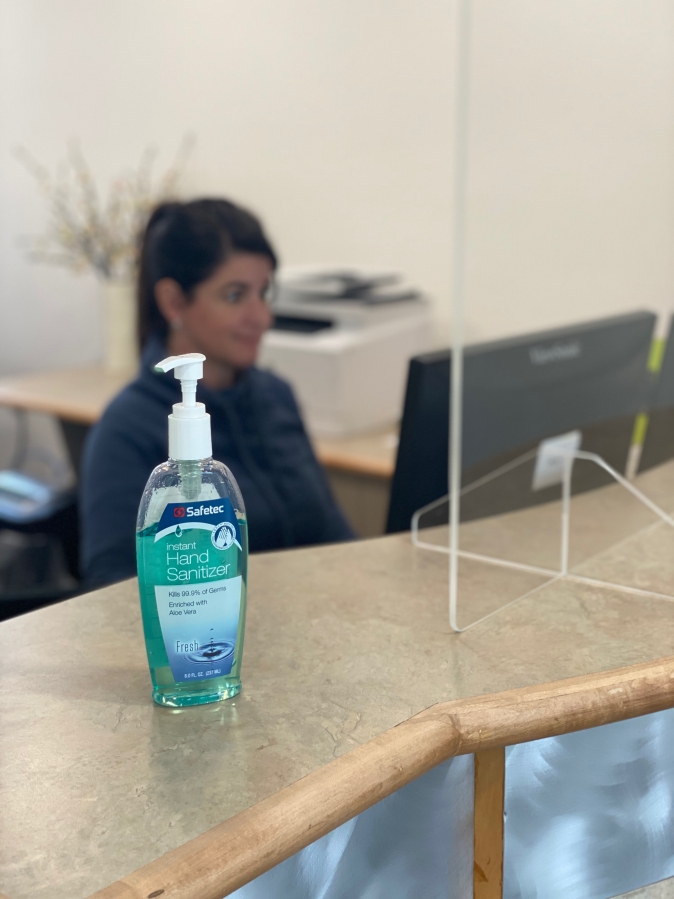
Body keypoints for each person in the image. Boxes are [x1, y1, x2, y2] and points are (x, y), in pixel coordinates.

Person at [80, 198, 353, 587]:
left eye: (264, 293)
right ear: (174, 301)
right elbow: (110, 588)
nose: (262, 317)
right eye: (234, 295)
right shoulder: (127, 429)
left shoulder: (277, 397)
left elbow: (334, 537)